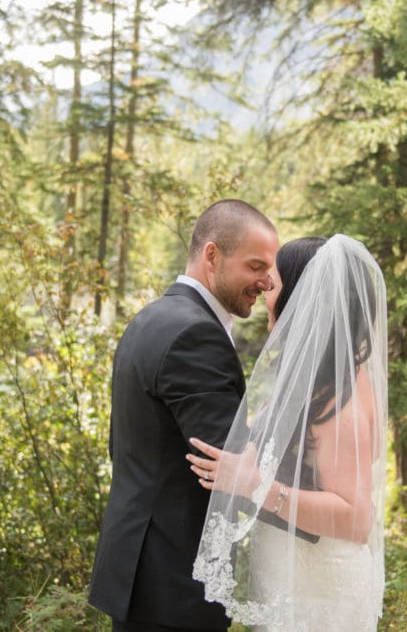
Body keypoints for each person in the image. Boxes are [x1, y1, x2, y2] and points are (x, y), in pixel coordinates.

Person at [88, 199, 279, 632]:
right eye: (255, 266)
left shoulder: (151, 318)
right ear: (212, 256)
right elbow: (227, 470)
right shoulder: (197, 335)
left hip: (144, 575)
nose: (267, 282)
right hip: (174, 586)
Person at [187, 235, 388, 631]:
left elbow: (354, 518)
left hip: (317, 592)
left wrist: (256, 485)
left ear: (300, 296)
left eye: (273, 283)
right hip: (288, 575)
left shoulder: (340, 397)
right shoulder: (312, 379)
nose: (264, 290)